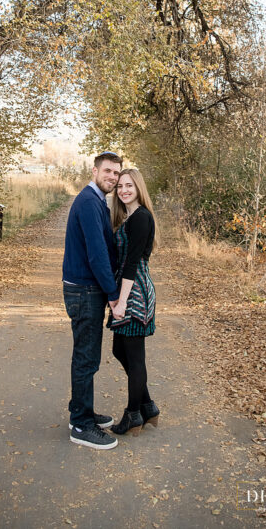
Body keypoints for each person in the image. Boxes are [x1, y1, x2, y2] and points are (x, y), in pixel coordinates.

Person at [62, 151, 124, 450]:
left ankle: (83, 411)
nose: (112, 177)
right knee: (86, 357)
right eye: (108, 171)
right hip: (85, 290)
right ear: (95, 170)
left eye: (116, 172)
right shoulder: (88, 201)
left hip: (87, 289)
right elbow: (97, 253)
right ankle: (80, 425)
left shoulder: (97, 200)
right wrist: (113, 294)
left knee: (88, 356)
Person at [107, 168, 160, 435]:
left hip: (135, 292)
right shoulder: (128, 217)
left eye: (129, 185)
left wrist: (121, 301)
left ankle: (133, 415)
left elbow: (131, 263)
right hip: (128, 289)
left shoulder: (141, 217)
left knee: (135, 356)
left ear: (138, 188)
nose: (124, 190)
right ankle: (147, 406)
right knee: (120, 351)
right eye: (120, 186)